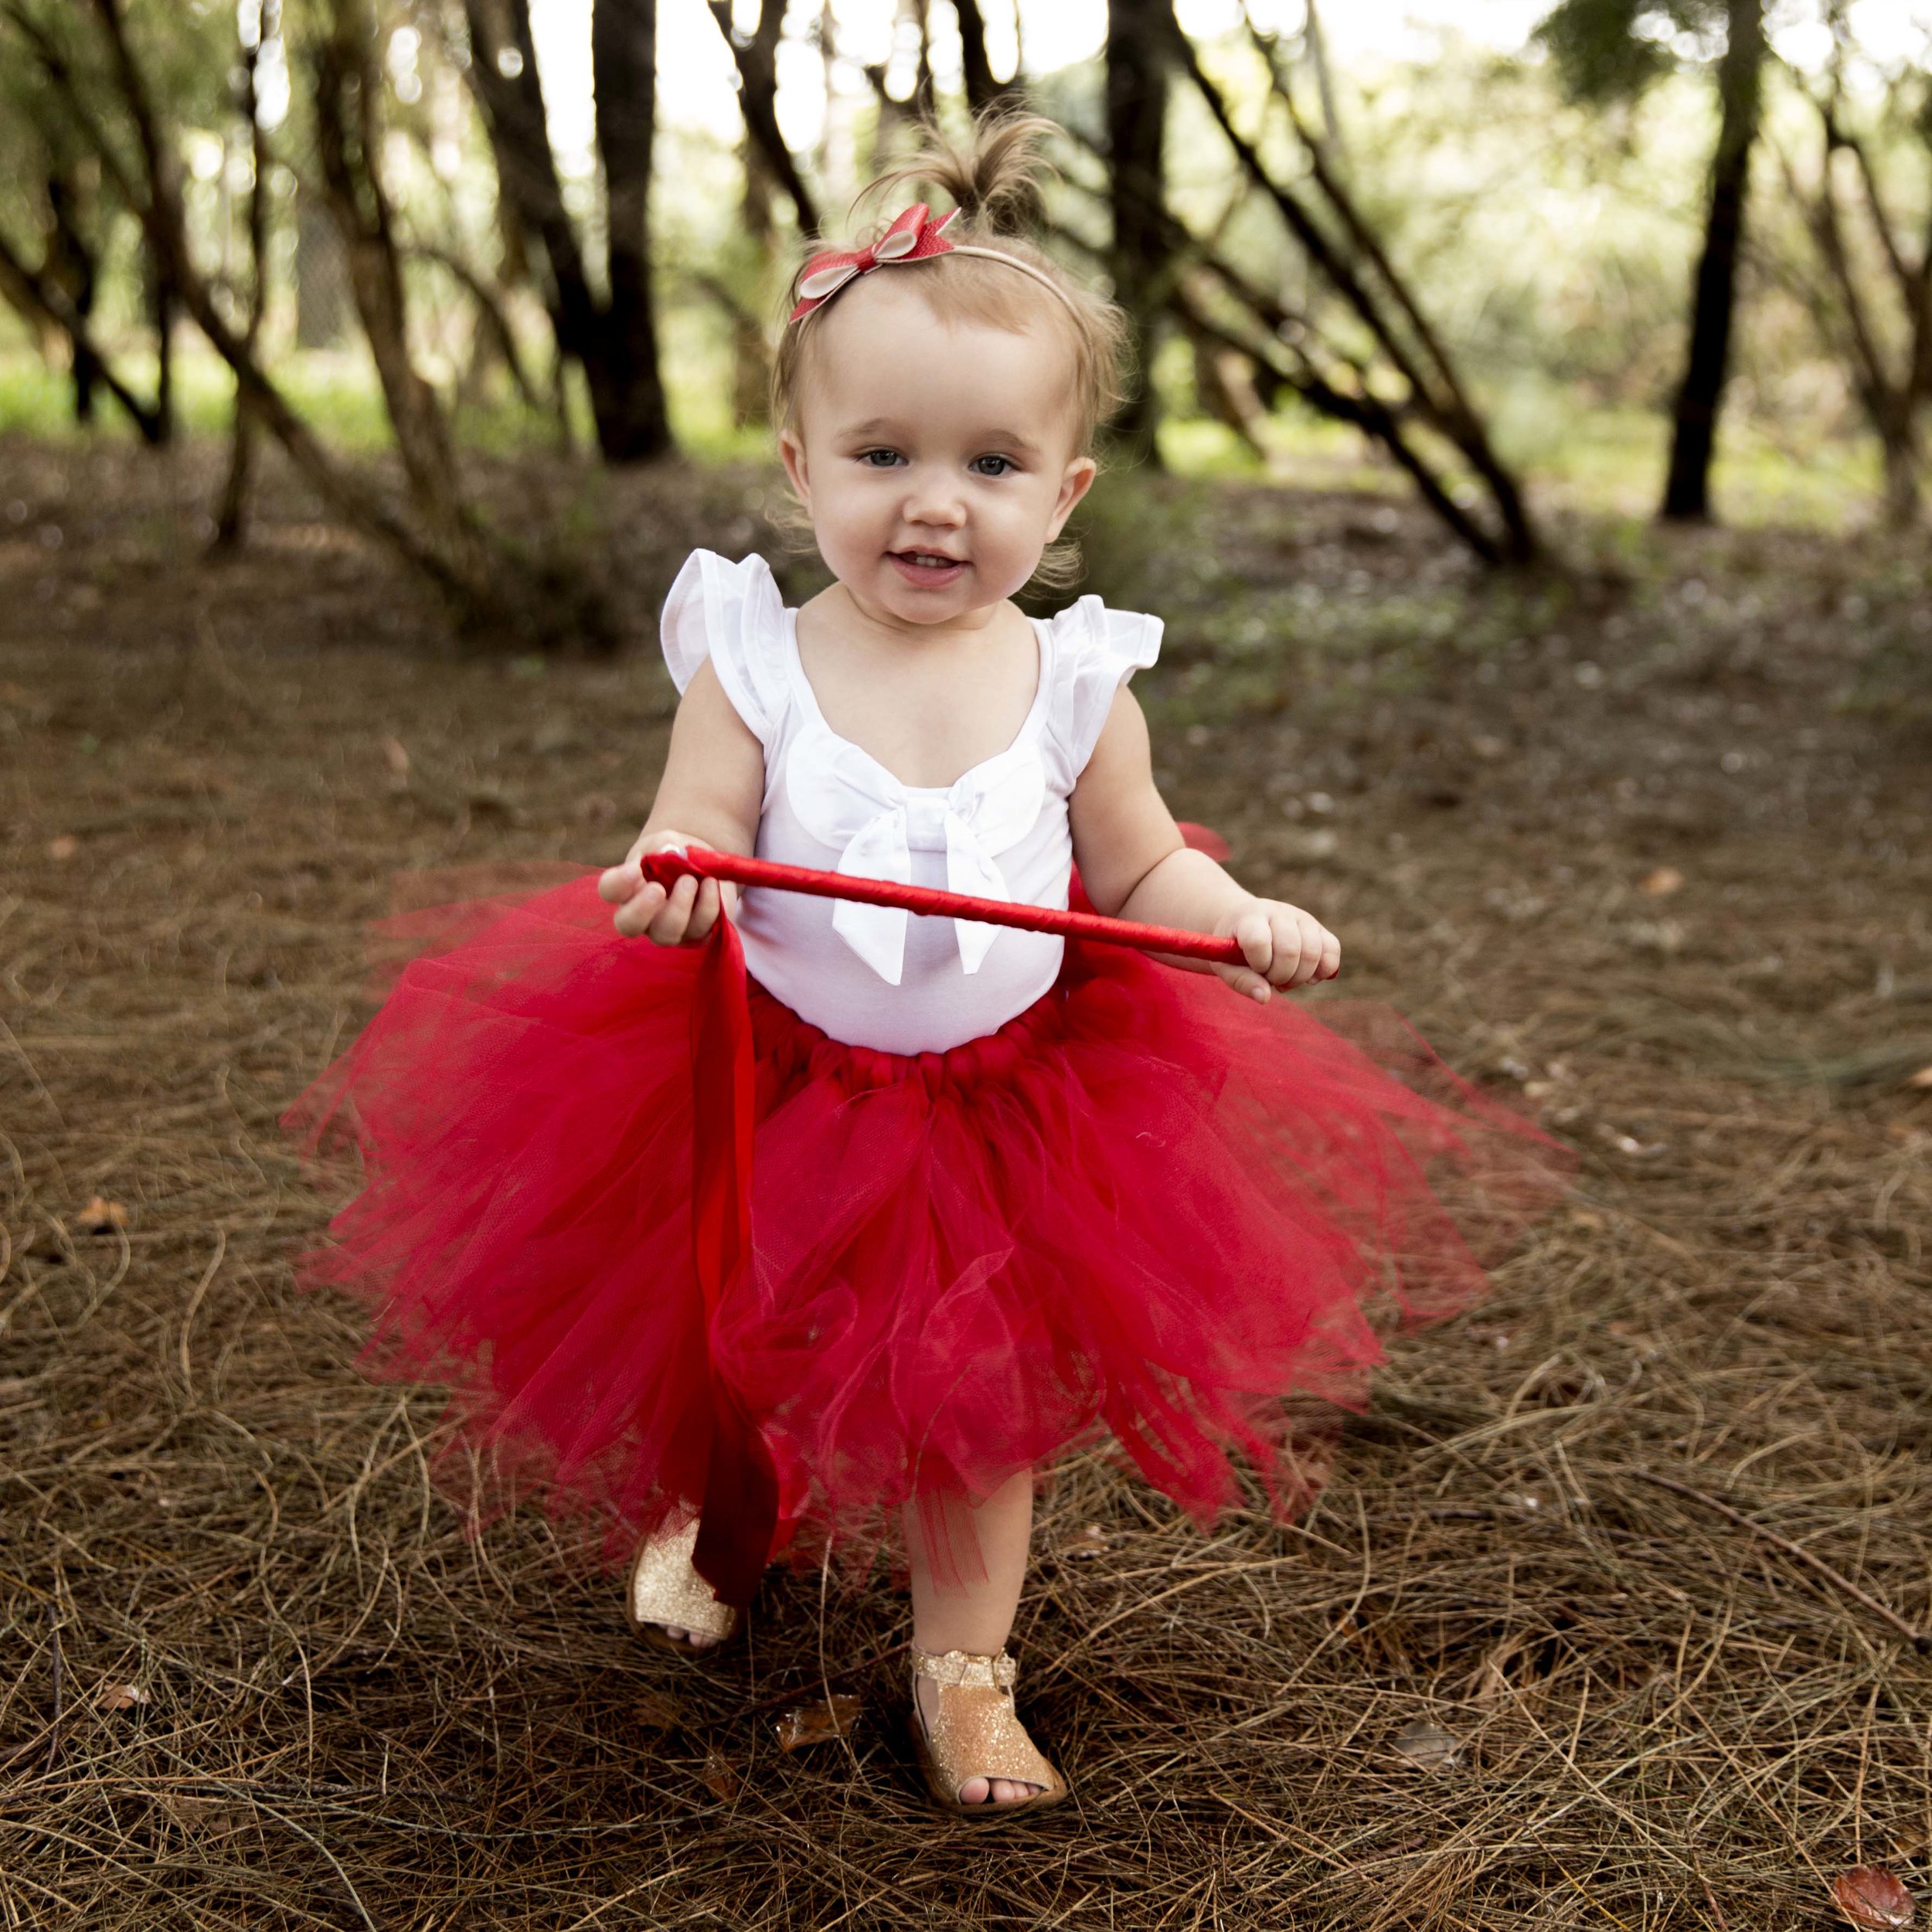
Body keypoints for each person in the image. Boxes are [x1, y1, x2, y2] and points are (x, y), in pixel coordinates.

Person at [290, 114, 1557, 1818]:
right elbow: (694, 820)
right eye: (881, 455)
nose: (933, 505)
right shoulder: (752, 652)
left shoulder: (1074, 680)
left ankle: (963, 1674)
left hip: (1007, 1109)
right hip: (773, 1079)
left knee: (977, 1411)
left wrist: (1231, 919)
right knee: (732, 1339)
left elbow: (1143, 863)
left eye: (988, 464)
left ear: (1064, 490)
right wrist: (674, 875)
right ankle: (725, 1515)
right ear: (799, 466)